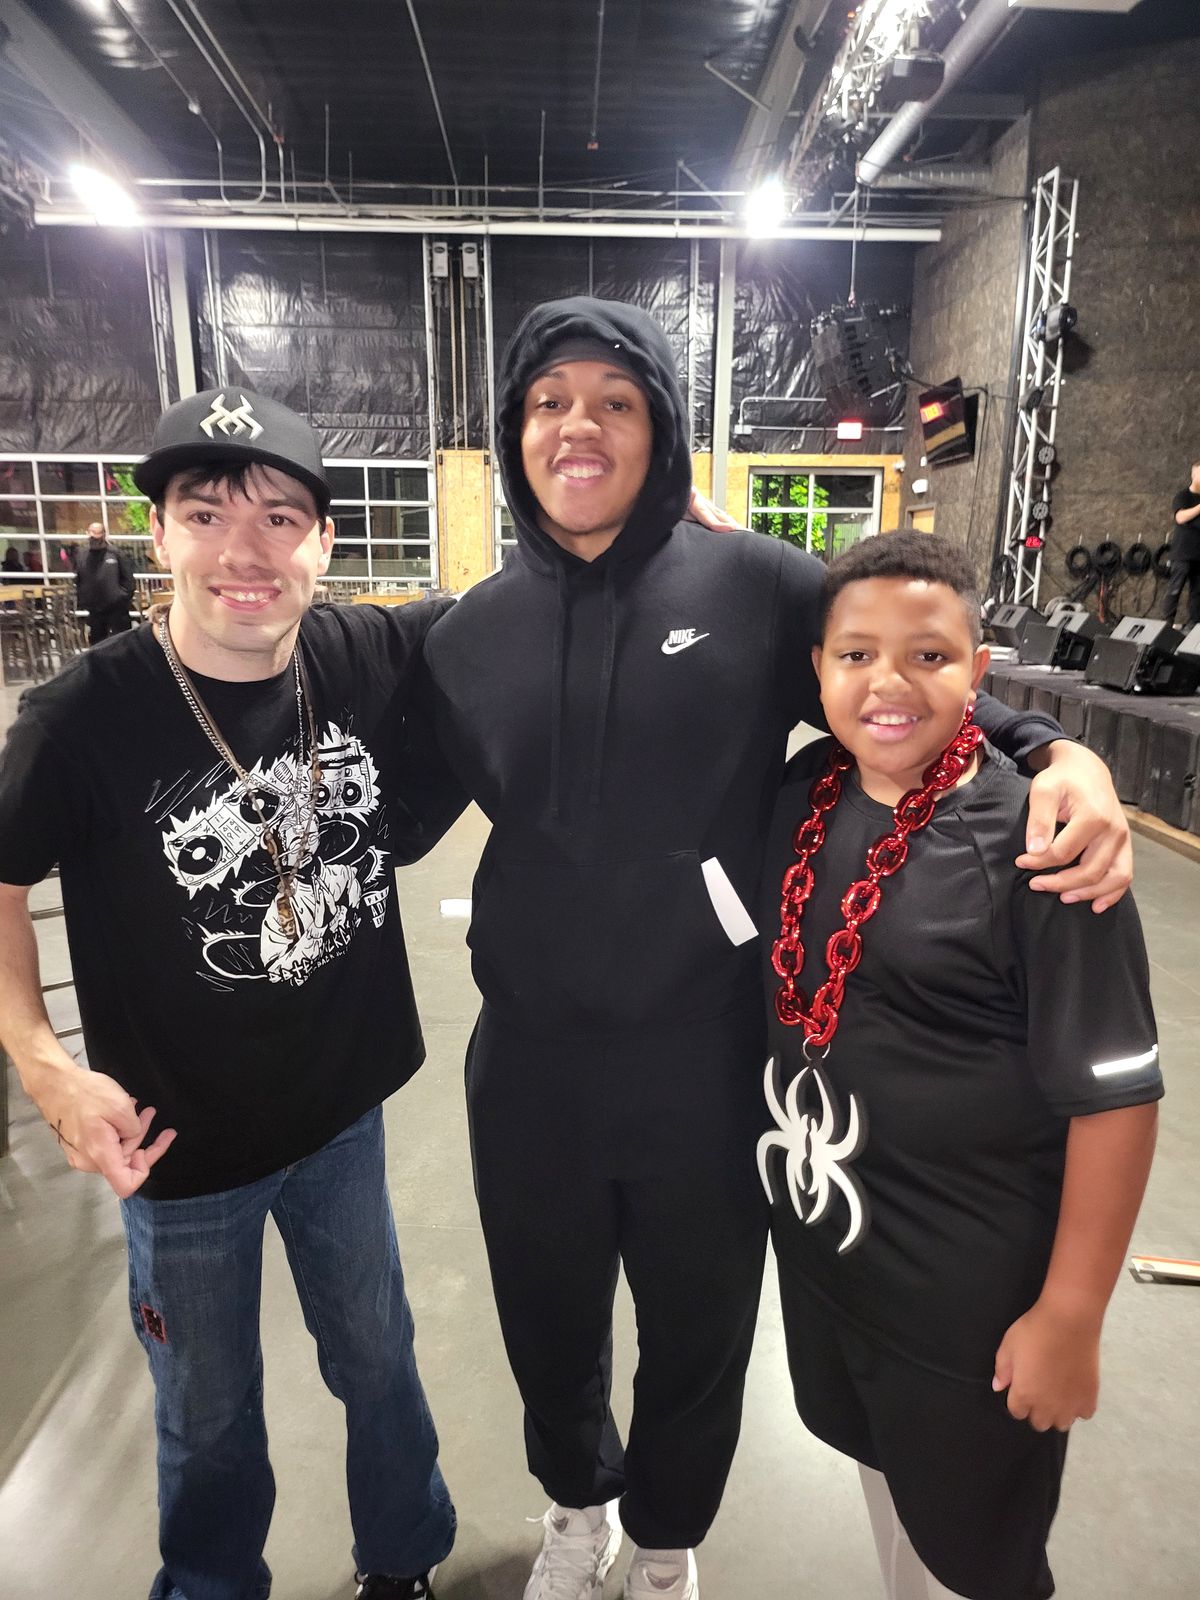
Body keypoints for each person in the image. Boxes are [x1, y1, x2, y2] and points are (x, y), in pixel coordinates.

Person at [422, 296, 1135, 1600]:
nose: (580, 426)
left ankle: (665, 1540)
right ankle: (576, 1507)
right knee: (545, 1317)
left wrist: (1056, 751)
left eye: (615, 402)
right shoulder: (468, 634)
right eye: (548, 402)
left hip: (705, 1053)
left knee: (699, 1327)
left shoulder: (754, 586)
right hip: (527, 1063)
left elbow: (903, 671)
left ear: (661, 427)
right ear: (512, 431)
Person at [0, 388, 464, 1600]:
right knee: (205, 1416)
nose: (244, 551)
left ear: (324, 541)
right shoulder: (81, 719)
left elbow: (532, 603)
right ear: (158, 534)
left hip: (341, 1116)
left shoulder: (354, 651)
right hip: (176, 1146)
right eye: (206, 514)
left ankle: (404, 1559)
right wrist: (45, 1066)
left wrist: (667, 529)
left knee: (380, 1360)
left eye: (279, 517)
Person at [759, 532, 1161, 1600]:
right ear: (818, 671)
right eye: (857, 655)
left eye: (929, 656)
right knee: (897, 1513)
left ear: (979, 672)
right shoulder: (803, 793)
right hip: (835, 1266)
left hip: (969, 1307)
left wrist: (1071, 1313)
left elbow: (1116, 1100)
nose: (888, 682)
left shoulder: (1045, 844)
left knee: (979, 1562)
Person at [73, 519, 135, 643]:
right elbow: (79, 579)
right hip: (95, 610)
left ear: (104, 535)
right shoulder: (82, 555)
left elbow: (128, 579)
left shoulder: (116, 553)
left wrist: (122, 597)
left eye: (98, 537)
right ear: (87, 534)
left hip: (117, 609)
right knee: (97, 645)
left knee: (122, 643)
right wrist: (85, 600)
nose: (95, 541)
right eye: (93, 537)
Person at [1164, 461, 1200, 630]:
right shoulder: (1183, 496)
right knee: (1175, 589)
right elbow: (1180, 518)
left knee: (1197, 593)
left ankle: (1195, 625)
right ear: (1193, 475)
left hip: (1199, 555)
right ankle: (1167, 624)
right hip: (1182, 553)